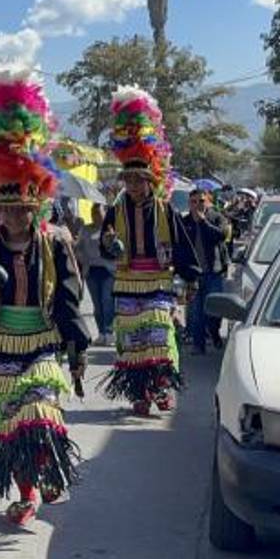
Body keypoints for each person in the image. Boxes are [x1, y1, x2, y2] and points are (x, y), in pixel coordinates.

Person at [0, 69, 90, 527]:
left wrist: (77, 349)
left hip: (41, 340)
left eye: (22, 210)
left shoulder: (55, 242)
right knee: (6, 426)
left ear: (37, 206)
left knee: (37, 413)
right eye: (7, 209)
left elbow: (70, 298)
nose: (13, 216)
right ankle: (28, 491)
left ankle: (49, 464)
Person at [101, 87, 201, 417]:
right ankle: (139, 394)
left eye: (138, 181)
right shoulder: (115, 211)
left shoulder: (163, 209)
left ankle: (161, 388)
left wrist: (190, 276)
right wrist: (109, 244)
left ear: (150, 181)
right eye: (128, 181)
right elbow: (104, 241)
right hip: (127, 281)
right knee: (133, 343)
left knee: (159, 334)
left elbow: (183, 243)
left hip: (158, 280)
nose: (133, 186)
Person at [183, 189, 228, 354]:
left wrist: (203, 222)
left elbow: (221, 236)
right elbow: (180, 247)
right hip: (194, 275)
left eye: (201, 201)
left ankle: (214, 333)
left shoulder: (217, 218)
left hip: (213, 273)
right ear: (189, 203)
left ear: (207, 201)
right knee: (196, 311)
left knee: (214, 311)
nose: (197, 205)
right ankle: (198, 345)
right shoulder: (184, 221)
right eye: (194, 202)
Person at [77, 203, 116, 345]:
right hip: (91, 270)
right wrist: (81, 256)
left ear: (104, 213)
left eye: (98, 212)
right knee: (97, 305)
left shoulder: (110, 229)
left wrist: (111, 240)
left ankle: (109, 331)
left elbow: (117, 249)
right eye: (93, 213)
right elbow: (78, 247)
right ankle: (101, 333)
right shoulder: (86, 229)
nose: (95, 215)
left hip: (108, 270)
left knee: (107, 302)